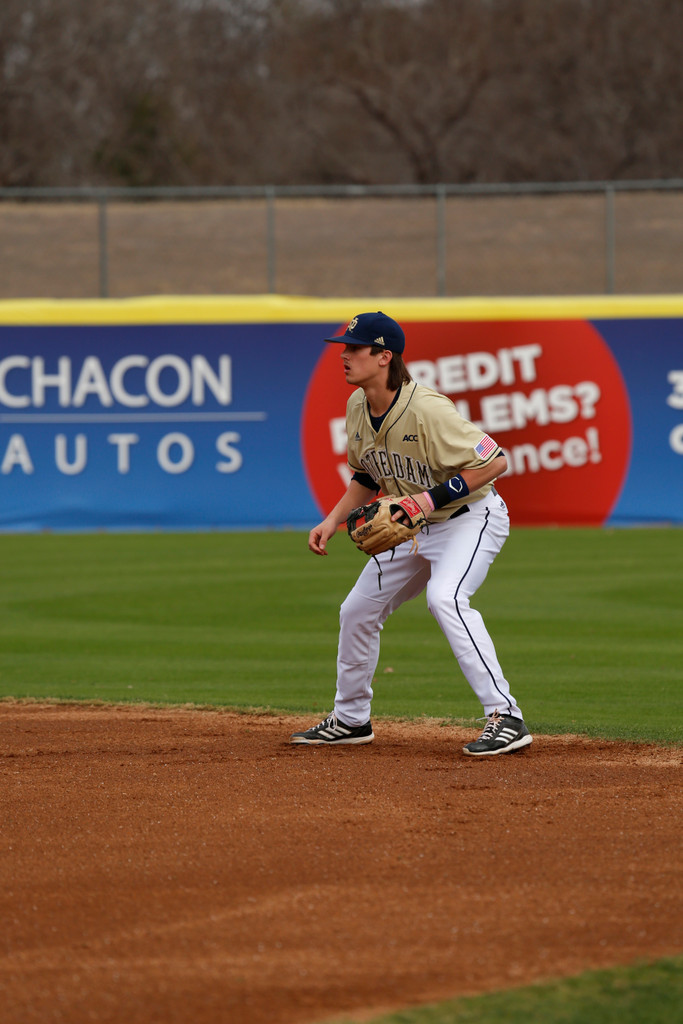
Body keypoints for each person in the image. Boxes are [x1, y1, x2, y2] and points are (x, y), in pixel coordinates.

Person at [291, 311, 532, 757]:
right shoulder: (357, 407)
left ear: (384, 357)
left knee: (446, 598)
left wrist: (425, 501)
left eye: (353, 348)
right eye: (343, 347)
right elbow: (366, 476)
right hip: (413, 527)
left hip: (469, 518)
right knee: (357, 611)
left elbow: (495, 460)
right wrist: (331, 520)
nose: (343, 355)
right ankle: (350, 718)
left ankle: (506, 716)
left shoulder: (428, 409)